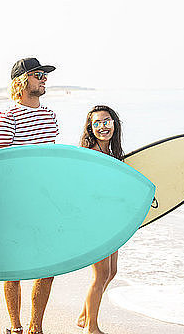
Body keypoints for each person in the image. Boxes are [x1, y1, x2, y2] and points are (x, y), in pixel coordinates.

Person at [0, 57, 59, 334]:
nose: (44, 78)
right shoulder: (7, 116)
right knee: (14, 268)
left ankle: (36, 327)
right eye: (38, 74)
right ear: (21, 81)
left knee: (49, 265)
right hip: (16, 205)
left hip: (46, 202)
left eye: (45, 75)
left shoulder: (51, 115)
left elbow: (52, 161)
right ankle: (16, 327)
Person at [76, 105, 124, 334]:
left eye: (107, 121)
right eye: (97, 123)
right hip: (95, 222)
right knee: (101, 274)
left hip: (110, 222)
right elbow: (84, 191)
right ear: (90, 128)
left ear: (114, 123)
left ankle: (85, 316)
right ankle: (91, 327)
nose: (103, 126)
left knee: (111, 271)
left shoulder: (113, 155)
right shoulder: (91, 154)